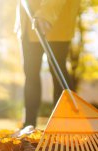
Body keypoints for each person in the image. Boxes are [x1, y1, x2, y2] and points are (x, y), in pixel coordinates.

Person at [16, 0, 81, 128]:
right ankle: (28, 125)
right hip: (27, 24)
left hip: (57, 23)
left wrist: (46, 14)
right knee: (30, 74)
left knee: (58, 71)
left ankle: (65, 124)